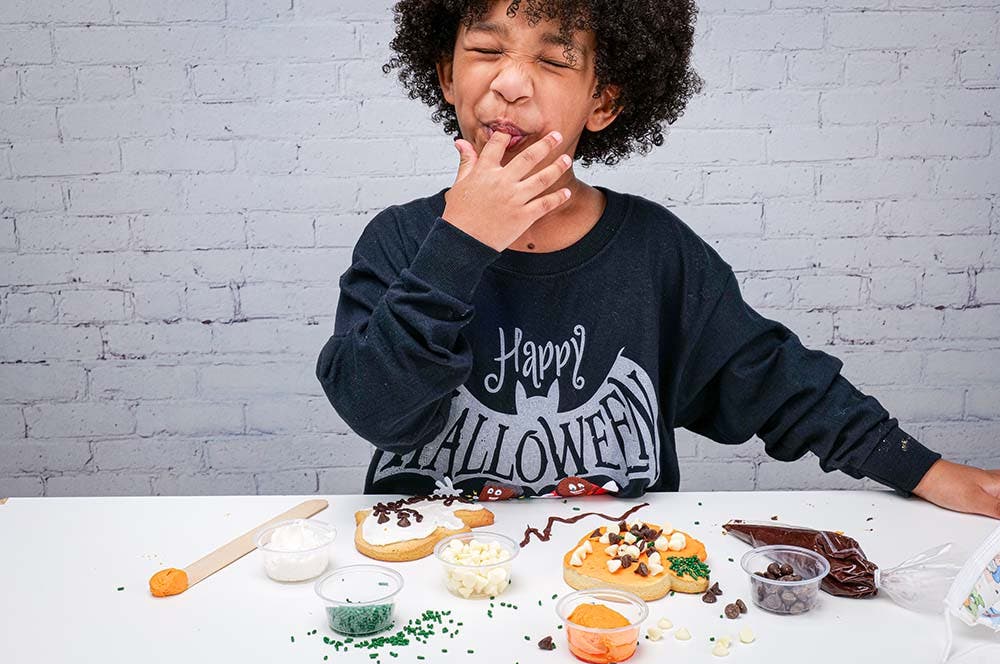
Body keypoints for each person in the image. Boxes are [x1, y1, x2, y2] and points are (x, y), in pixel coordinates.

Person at [316, 0, 999, 518]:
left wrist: (923, 469)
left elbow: (774, 377)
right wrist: (460, 243)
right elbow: (377, 409)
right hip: (425, 568)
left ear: (604, 101)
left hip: (613, 583)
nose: (512, 83)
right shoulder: (401, 242)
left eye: (554, 61)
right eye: (486, 50)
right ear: (445, 75)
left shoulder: (657, 253)